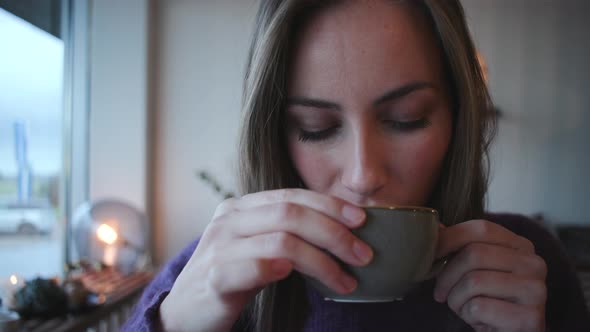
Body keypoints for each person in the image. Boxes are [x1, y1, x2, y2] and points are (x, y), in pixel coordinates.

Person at [123, 0, 590, 331]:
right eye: (316, 127)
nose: (363, 175)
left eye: (407, 120)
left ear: (457, 117)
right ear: (276, 138)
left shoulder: (529, 269)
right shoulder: (208, 276)